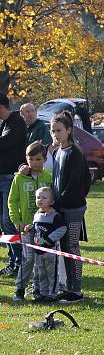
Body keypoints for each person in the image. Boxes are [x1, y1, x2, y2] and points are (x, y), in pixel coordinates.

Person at [50, 112, 92, 304]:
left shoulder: (75, 152)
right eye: (53, 131)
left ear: (69, 130)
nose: (55, 134)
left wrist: (60, 204)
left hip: (73, 209)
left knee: (72, 247)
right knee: (64, 247)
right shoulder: (57, 151)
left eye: (59, 130)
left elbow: (77, 184)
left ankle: (76, 290)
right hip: (60, 207)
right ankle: (68, 287)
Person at [8, 141, 53, 301]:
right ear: (26, 159)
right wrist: (16, 220)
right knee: (28, 258)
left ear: (45, 159)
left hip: (44, 227)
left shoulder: (48, 177)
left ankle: (38, 290)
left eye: (38, 159)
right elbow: (12, 200)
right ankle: (19, 289)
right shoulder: (19, 178)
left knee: (41, 259)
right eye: (31, 159)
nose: (34, 163)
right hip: (26, 227)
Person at [0, 95, 27, 277]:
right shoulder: (3, 124)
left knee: (8, 222)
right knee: (3, 224)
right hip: (1, 177)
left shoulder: (17, 122)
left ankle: (18, 262)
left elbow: (5, 143)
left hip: (10, 177)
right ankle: (13, 261)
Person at [27, 187, 66, 301]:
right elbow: (37, 229)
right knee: (41, 273)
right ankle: (43, 294)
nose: (40, 200)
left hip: (50, 251)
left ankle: (52, 294)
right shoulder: (37, 215)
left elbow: (62, 229)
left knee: (52, 274)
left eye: (44, 198)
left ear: (52, 202)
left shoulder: (55, 216)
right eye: (38, 197)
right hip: (38, 251)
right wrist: (30, 228)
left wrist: (50, 239)